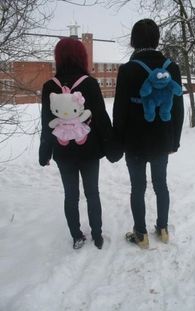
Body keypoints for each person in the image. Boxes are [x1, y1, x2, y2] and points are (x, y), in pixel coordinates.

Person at [112, 19, 184, 249]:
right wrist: (175, 141)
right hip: (162, 139)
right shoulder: (172, 68)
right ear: (156, 39)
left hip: (134, 142)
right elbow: (178, 109)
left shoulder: (127, 70)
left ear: (134, 40)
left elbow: (119, 110)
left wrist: (118, 140)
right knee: (161, 185)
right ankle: (162, 230)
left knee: (138, 188)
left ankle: (140, 235)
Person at [39, 37, 113, 250]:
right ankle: (97, 235)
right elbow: (100, 118)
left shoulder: (48, 87)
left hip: (63, 152)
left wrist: (45, 152)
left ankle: (76, 236)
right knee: (92, 193)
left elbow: (47, 123)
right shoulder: (89, 84)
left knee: (70, 195)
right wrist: (111, 147)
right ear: (82, 56)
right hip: (89, 151)